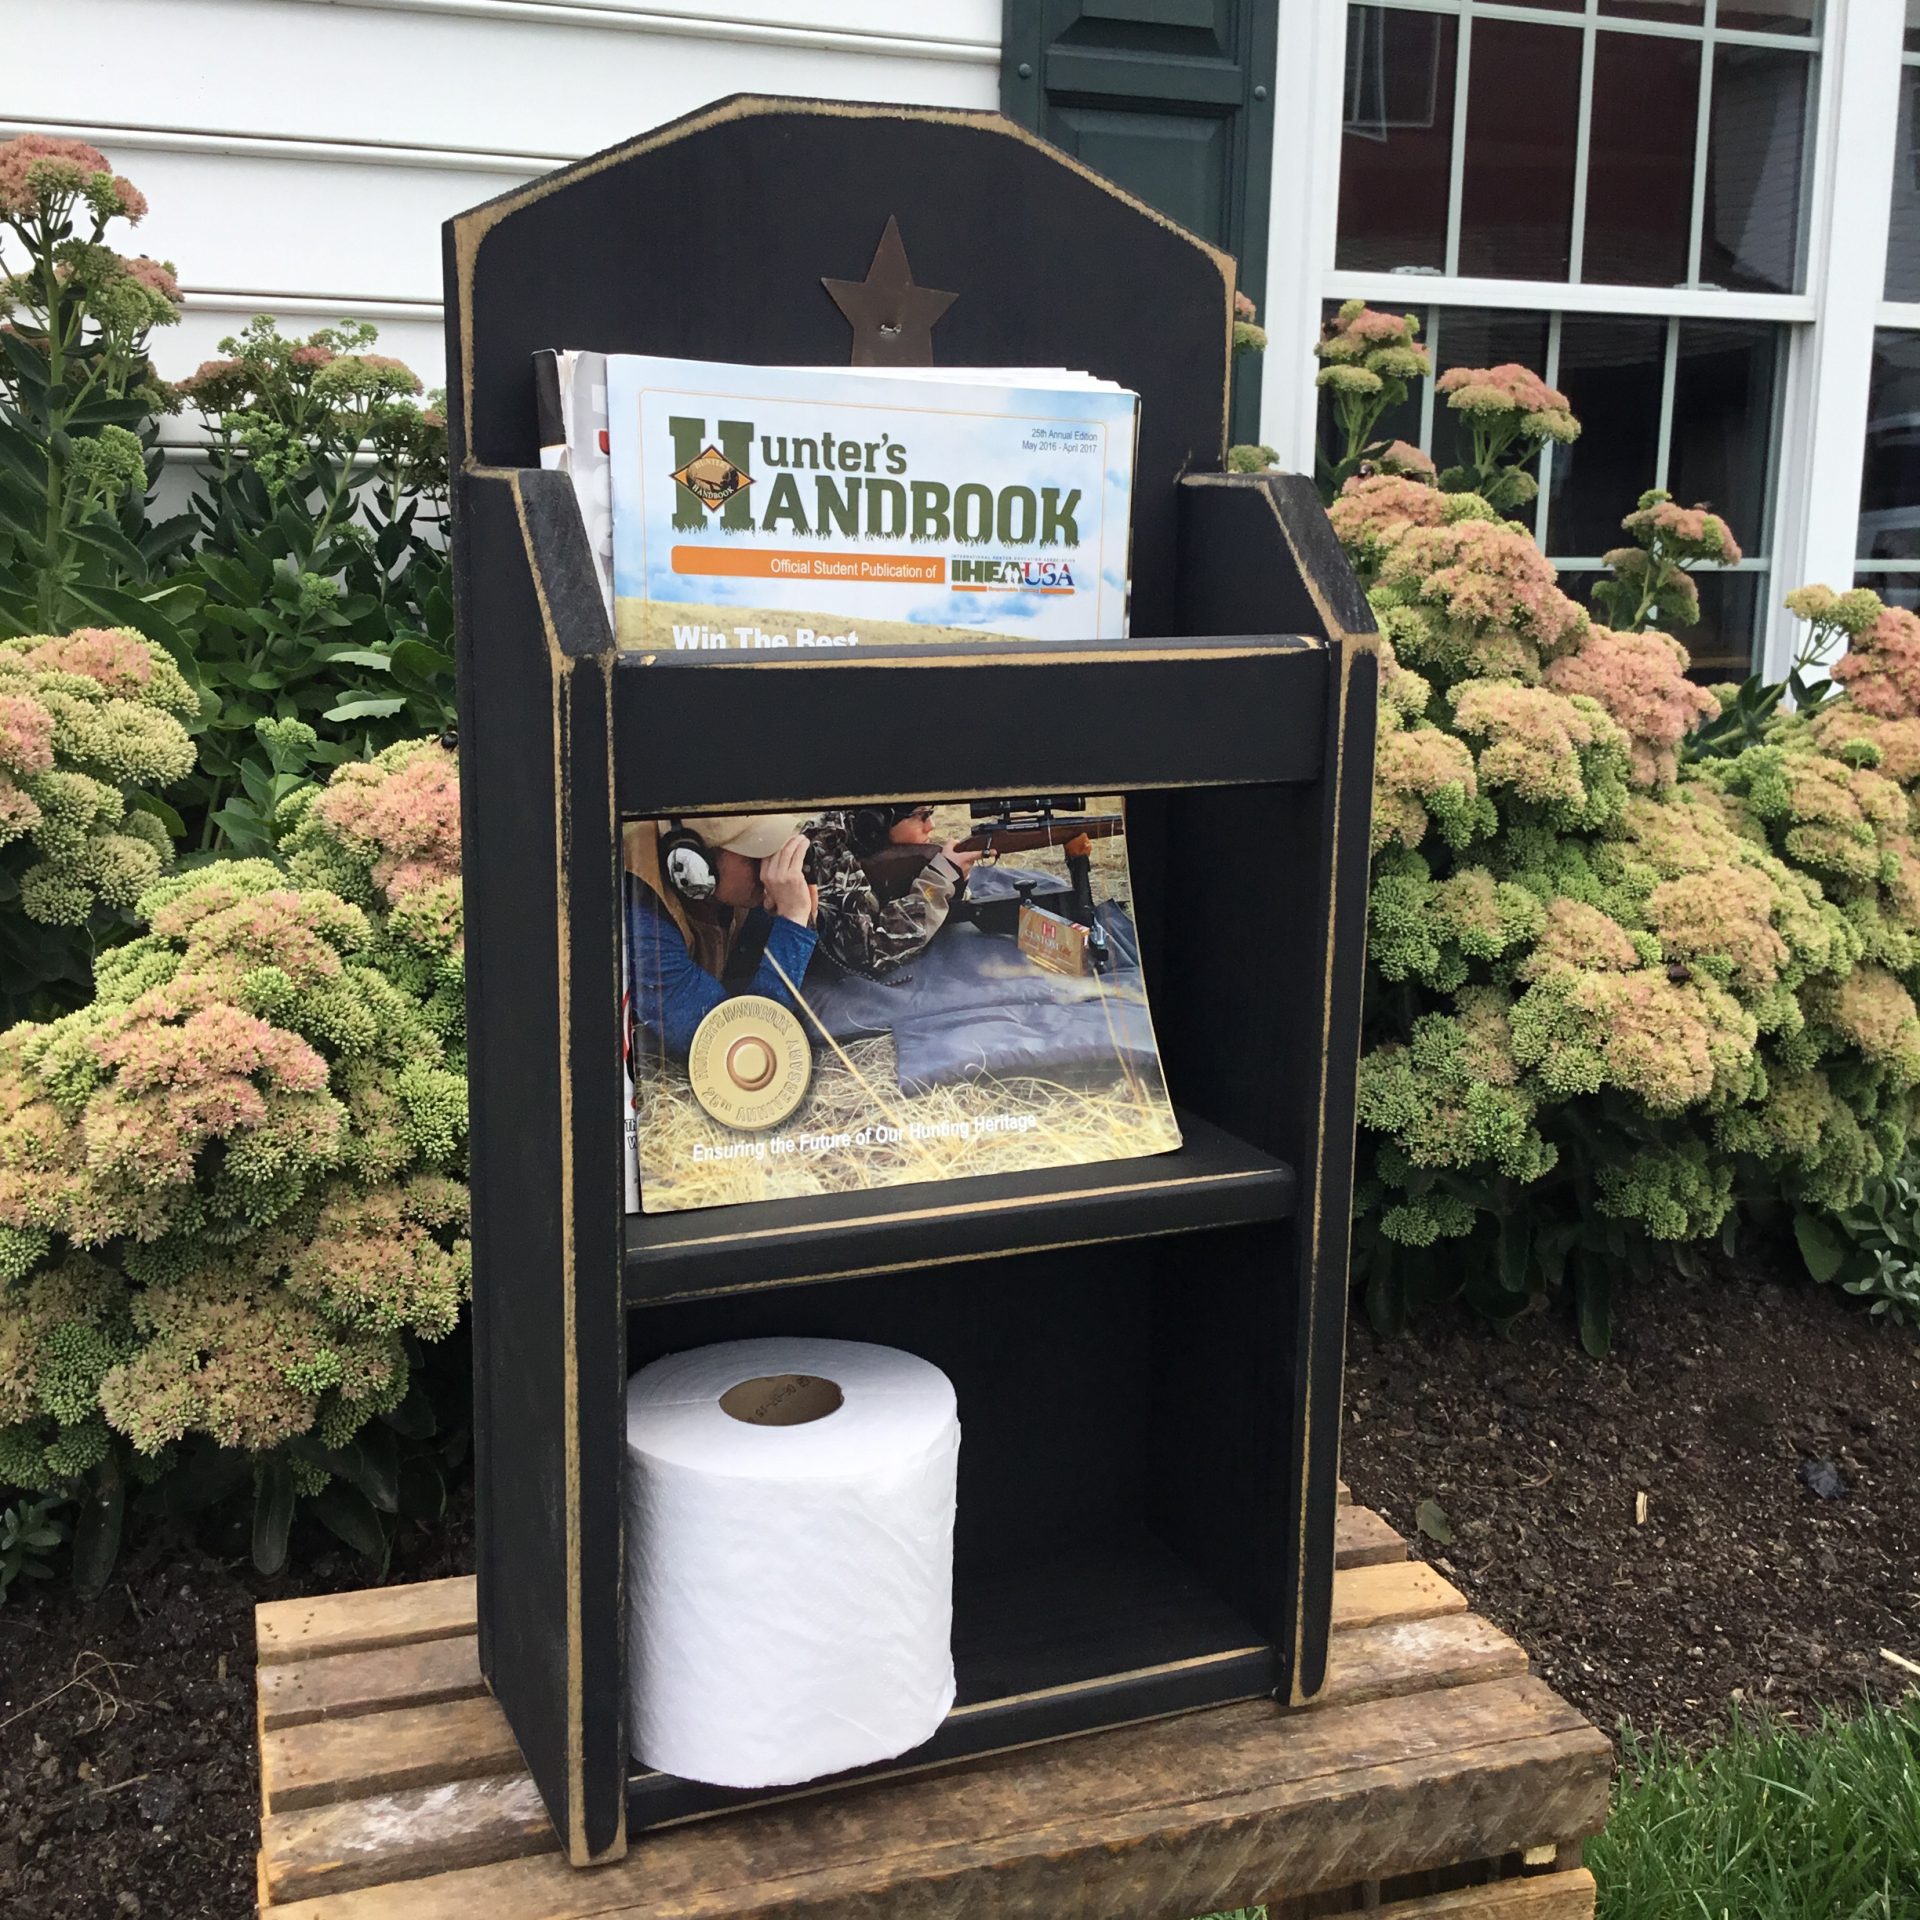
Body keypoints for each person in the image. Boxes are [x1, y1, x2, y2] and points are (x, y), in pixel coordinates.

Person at [625, 814, 817, 1057]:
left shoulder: (728, 882)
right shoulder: (641, 923)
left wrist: (806, 900)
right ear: (693, 864)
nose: (772, 868)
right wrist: (793, 920)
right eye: (757, 855)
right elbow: (738, 1045)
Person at [806, 804, 980, 979]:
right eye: (922, 816)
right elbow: (872, 953)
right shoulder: (828, 853)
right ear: (876, 822)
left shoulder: (871, 841)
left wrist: (955, 879)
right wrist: (940, 879)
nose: (931, 825)